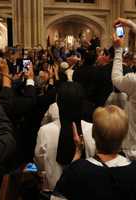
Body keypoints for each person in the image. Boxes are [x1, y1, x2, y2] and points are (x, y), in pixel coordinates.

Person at [52, 105, 136, 200]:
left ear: (93, 134)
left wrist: (77, 154)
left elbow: (56, 197)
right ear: (124, 136)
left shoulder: (78, 170)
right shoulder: (133, 171)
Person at [112, 17, 136, 158]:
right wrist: (131, 24)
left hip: (132, 147)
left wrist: (118, 50)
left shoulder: (133, 80)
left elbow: (116, 79)